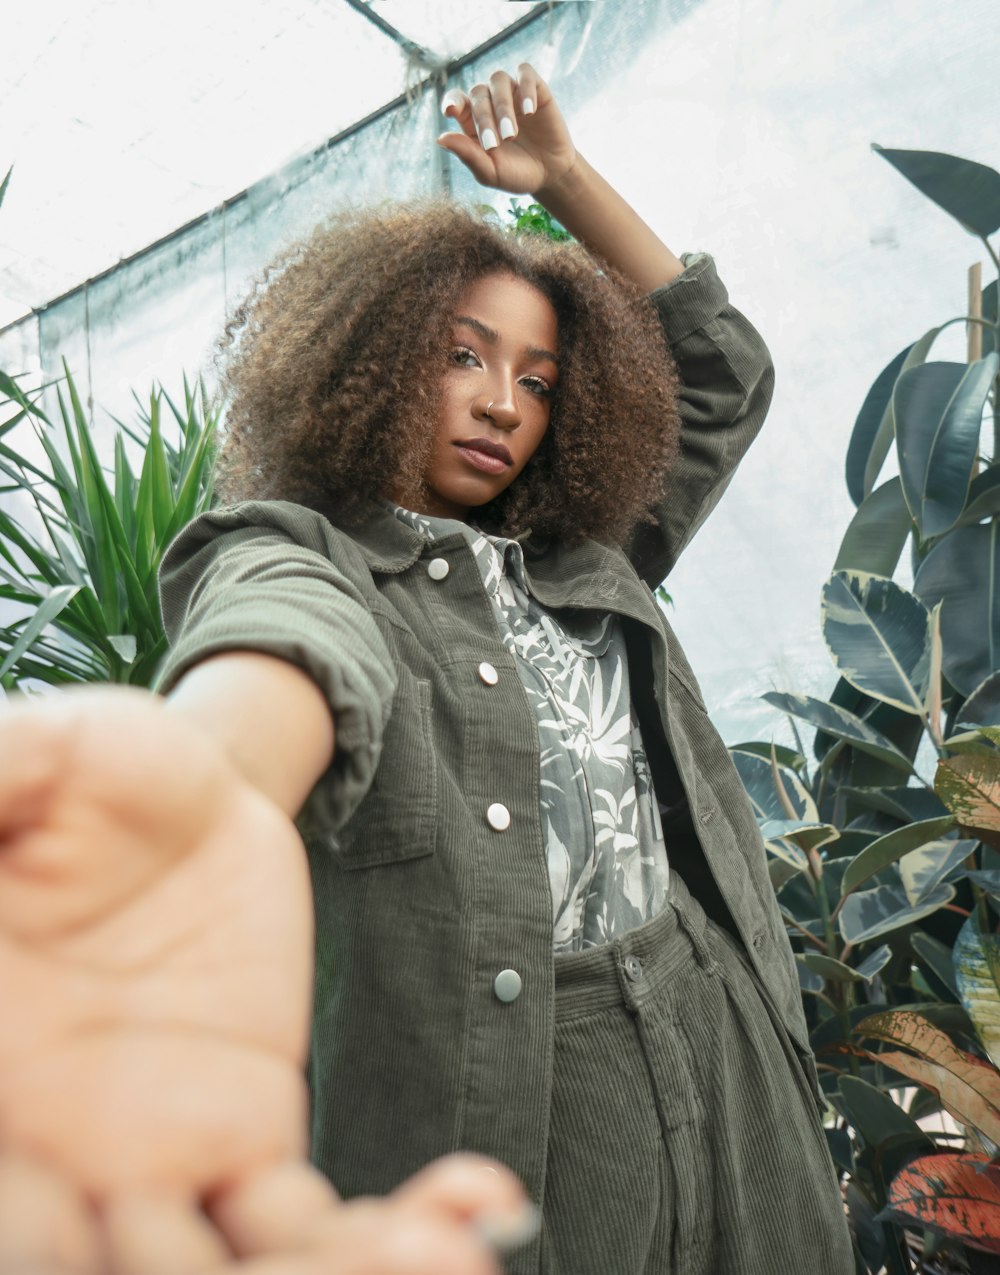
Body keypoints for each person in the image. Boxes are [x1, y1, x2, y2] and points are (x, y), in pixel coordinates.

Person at [0, 64, 854, 1274]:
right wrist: (203, 787)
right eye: (464, 356)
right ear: (371, 356)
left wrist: (562, 180)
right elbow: (284, 641)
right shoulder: (306, 553)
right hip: (538, 1082)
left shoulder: (586, 550)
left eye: (539, 379)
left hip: (715, 1010)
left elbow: (715, 376)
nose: (503, 403)